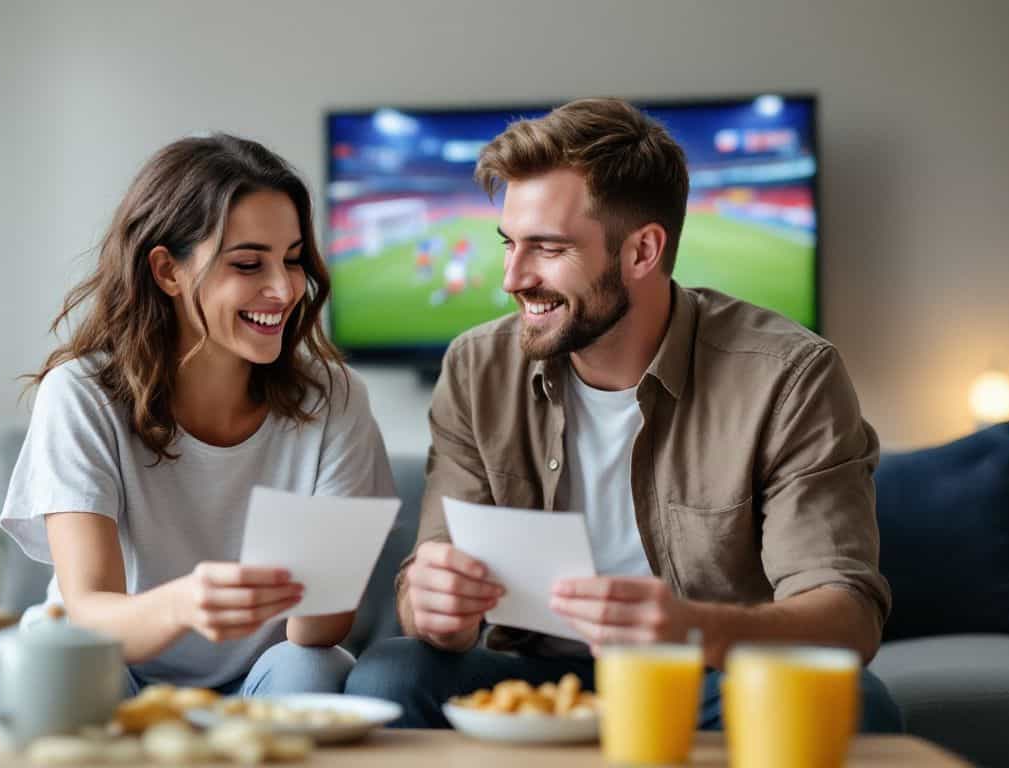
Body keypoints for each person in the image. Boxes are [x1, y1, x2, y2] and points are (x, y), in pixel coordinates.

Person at [344, 98, 902, 733]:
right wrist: (433, 603)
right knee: (389, 674)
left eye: (547, 249)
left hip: (703, 675)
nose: (512, 278)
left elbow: (847, 615)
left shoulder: (789, 375)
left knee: (860, 702)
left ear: (642, 252)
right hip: (533, 675)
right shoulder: (476, 367)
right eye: (509, 244)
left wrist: (693, 628)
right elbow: (430, 573)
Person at [0, 134, 394, 715]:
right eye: (248, 263)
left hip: (258, 688)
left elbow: (317, 631)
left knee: (317, 663)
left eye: (293, 259)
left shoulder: (335, 399)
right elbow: (90, 610)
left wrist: (323, 576)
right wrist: (186, 604)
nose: (284, 288)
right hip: (109, 668)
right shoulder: (82, 393)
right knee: (53, 660)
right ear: (167, 271)